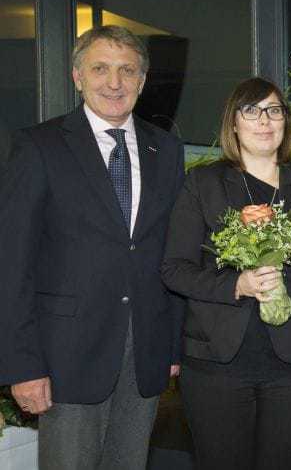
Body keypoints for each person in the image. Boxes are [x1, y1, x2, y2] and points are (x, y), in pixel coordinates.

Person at [0, 25, 185, 470]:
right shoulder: (38, 146)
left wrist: (172, 348)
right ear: (77, 76)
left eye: (127, 70)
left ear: (143, 80)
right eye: (100, 69)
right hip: (65, 355)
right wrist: (22, 365)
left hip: (144, 350)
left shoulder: (166, 149)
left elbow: (171, 252)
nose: (114, 82)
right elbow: (12, 263)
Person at [160, 77, 291, 470]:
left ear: (285, 121)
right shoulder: (203, 184)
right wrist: (237, 283)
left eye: (274, 110)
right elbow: (174, 269)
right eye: (251, 111)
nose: (264, 121)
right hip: (217, 365)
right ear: (233, 123)